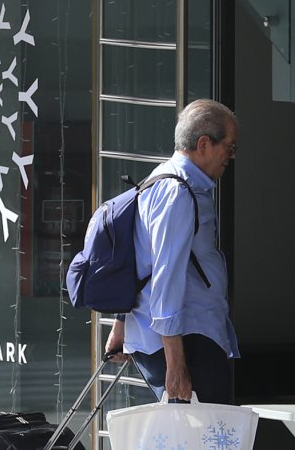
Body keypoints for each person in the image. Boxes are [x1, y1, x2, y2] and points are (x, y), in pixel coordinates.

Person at [104, 98, 240, 404]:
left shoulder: (162, 180)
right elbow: (166, 275)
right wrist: (176, 363)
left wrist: (122, 325)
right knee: (207, 434)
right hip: (187, 341)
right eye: (229, 148)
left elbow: (142, 261)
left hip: (179, 338)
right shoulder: (178, 192)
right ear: (204, 144)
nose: (231, 157)